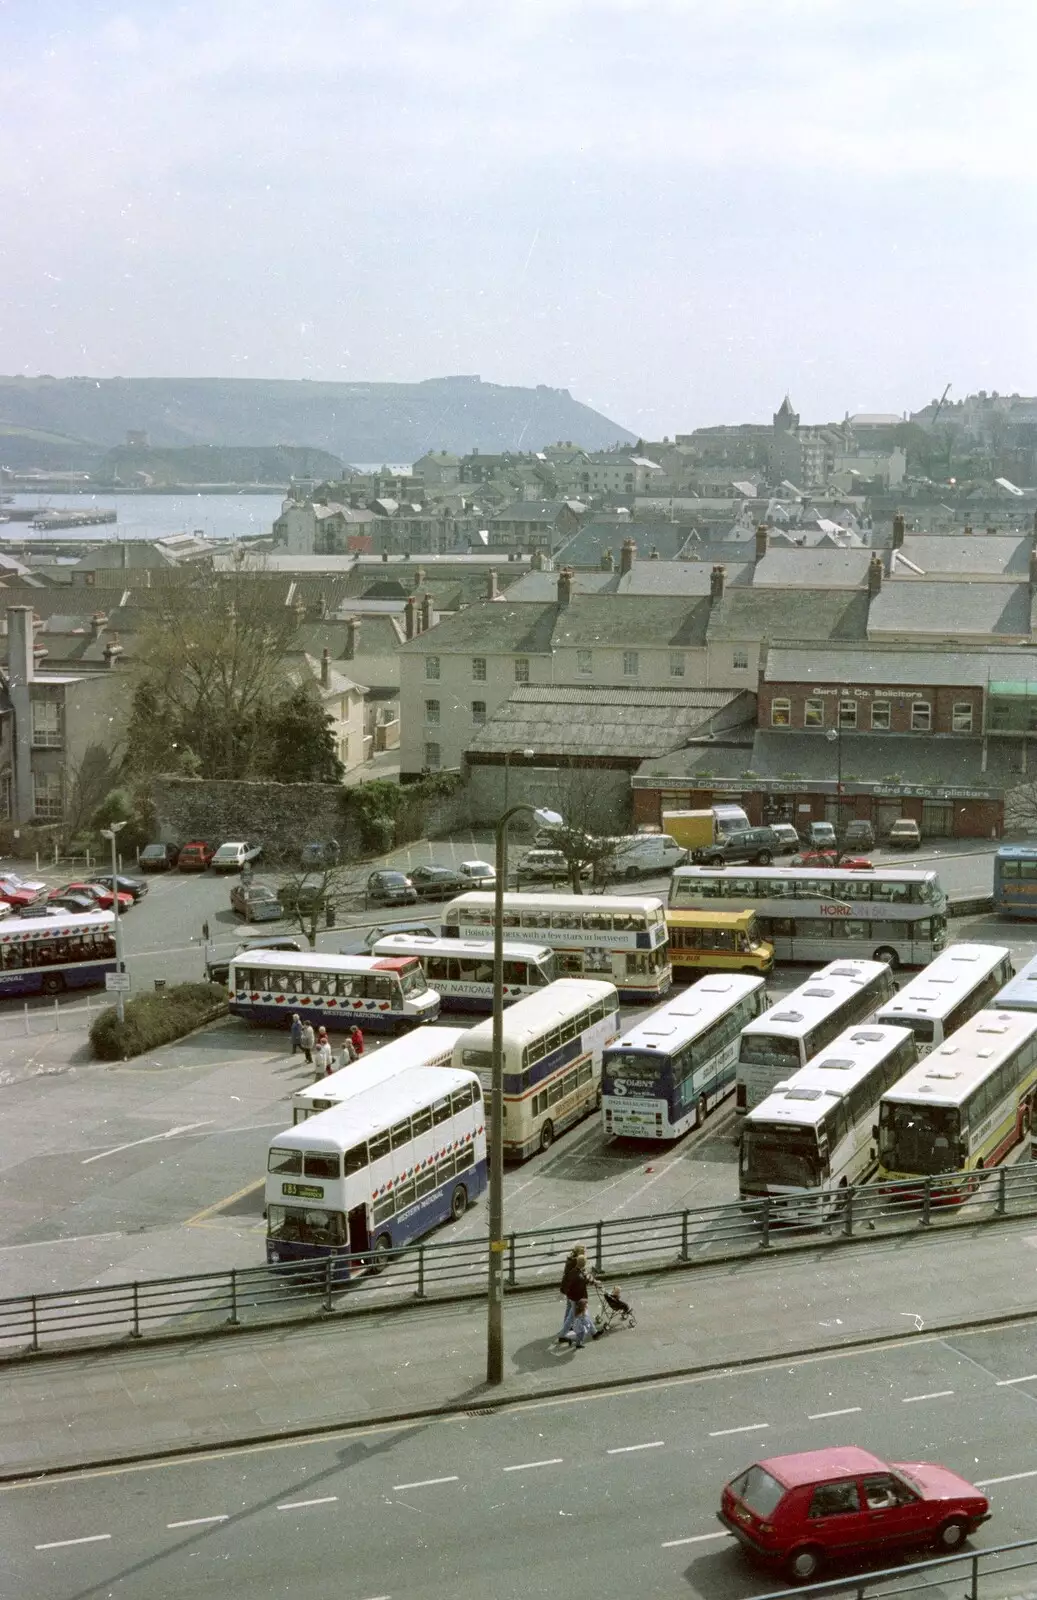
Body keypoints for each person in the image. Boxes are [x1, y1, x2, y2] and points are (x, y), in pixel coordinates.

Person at [557, 1246, 588, 1343]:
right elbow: (581, 1274)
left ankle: (566, 1329)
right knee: (574, 1311)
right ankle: (567, 1332)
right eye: (584, 1252)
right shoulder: (576, 1262)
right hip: (574, 1291)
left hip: (568, 1289)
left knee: (569, 1308)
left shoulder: (570, 1260)